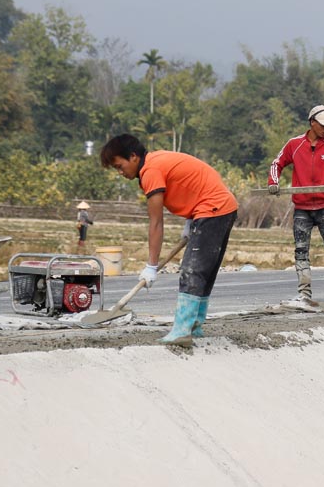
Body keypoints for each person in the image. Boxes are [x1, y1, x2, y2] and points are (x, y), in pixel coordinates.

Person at [100, 134, 238, 346]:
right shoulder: (155, 161)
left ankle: (183, 329)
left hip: (212, 208)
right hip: (219, 207)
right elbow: (194, 181)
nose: (120, 172)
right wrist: (191, 219)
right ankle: (194, 326)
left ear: (134, 157)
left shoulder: (150, 171)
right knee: (203, 271)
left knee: (192, 270)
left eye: (120, 166)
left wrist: (151, 265)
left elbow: (156, 222)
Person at [268, 104, 324, 306]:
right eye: (323, 125)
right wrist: (274, 182)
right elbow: (277, 163)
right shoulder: (294, 144)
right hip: (302, 208)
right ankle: (304, 292)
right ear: (312, 123)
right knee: (301, 250)